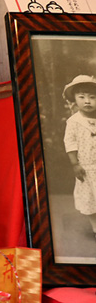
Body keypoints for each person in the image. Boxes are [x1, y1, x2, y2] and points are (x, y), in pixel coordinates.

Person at [63, 75, 96, 239]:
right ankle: (95, 227)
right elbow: (70, 143)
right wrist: (75, 164)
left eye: (92, 97)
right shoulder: (74, 121)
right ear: (75, 99)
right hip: (86, 168)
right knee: (90, 199)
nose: (87, 101)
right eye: (82, 97)